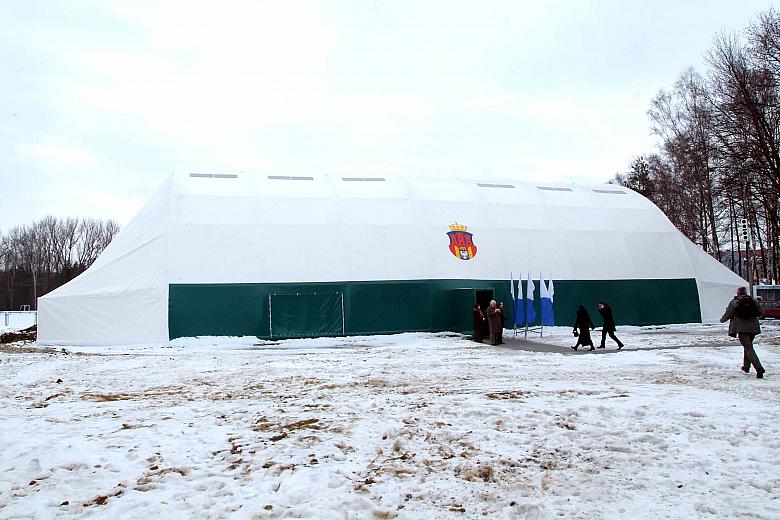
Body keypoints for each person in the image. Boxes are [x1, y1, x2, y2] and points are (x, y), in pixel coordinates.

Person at [720, 286, 765, 378]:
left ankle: (759, 368)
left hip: (741, 328)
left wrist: (722, 320)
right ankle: (746, 366)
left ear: (738, 293)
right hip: (753, 328)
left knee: (748, 347)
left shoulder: (735, 302)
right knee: (748, 346)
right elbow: (760, 313)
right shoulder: (754, 301)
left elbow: (728, 314)